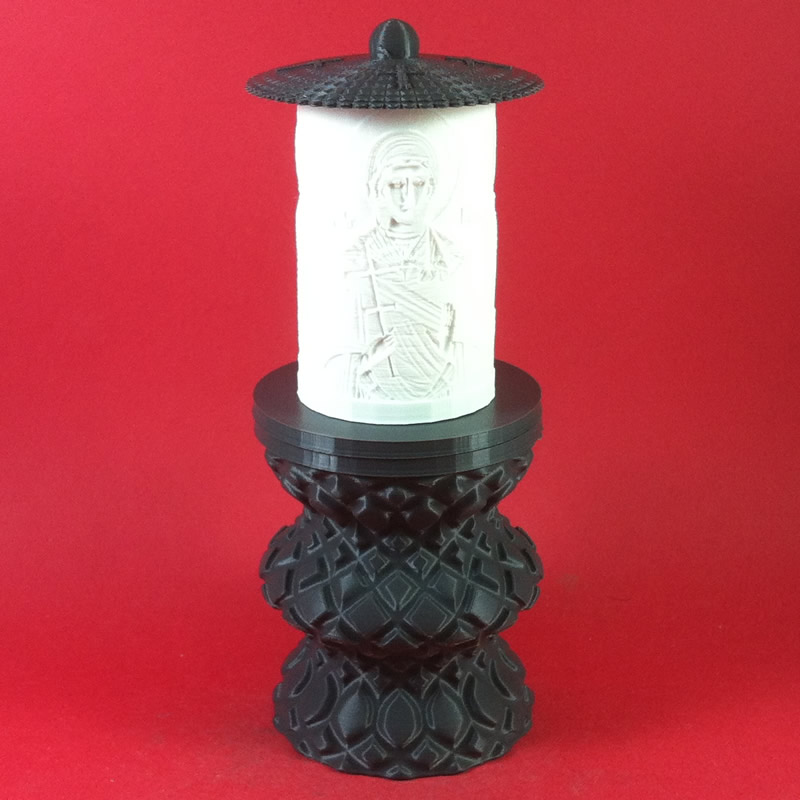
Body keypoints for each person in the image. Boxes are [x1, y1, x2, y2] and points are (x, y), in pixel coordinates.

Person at [336, 130, 462, 401]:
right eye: (395, 184)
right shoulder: (356, 260)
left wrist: (447, 350)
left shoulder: (451, 257)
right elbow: (332, 344)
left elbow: (470, 344)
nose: (409, 197)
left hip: (442, 393)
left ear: (432, 187)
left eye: (419, 183)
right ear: (377, 189)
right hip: (370, 399)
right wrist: (367, 361)